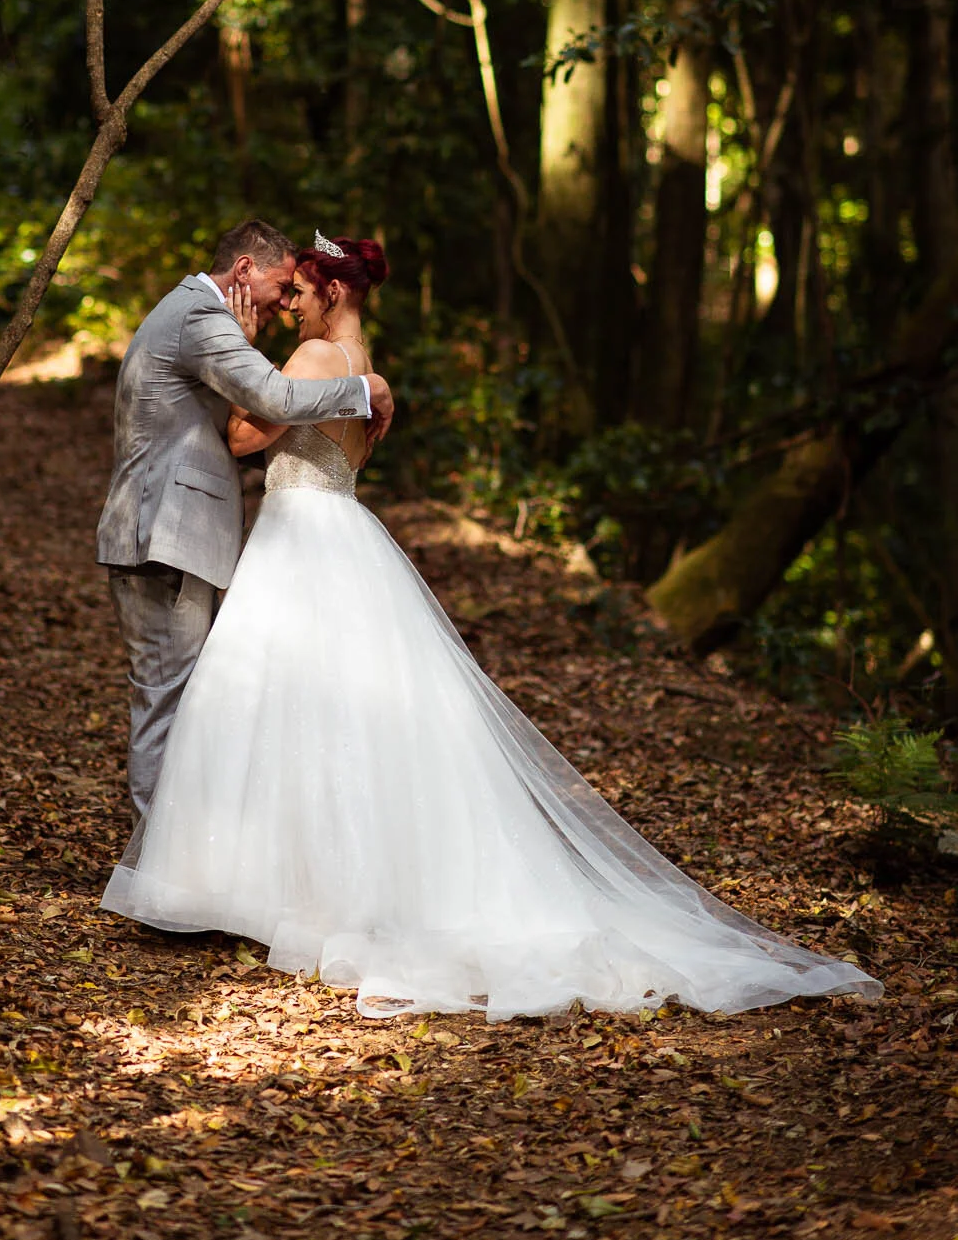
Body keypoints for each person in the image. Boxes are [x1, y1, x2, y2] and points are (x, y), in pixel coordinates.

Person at [102, 233, 881, 1021]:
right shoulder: (365, 368)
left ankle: (244, 885)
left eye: (300, 292)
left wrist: (240, 376)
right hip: (341, 533)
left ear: (332, 294)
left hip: (295, 540)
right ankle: (308, 886)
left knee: (266, 707)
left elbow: (244, 435)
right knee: (340, 719)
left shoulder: (310, 365)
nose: (290, 303)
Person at [96, 218, 394, 823]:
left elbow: (253, 415)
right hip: (163, 536)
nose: (285, 303)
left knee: (188, 703)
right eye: (282, 287)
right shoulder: (204, 319)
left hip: (181, 536)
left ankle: (180, 868)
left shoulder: (208, 319)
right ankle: (159, 872)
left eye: (296, 292)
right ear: (243, 272)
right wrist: (364, 390)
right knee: (172, 703)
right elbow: (274, 402)